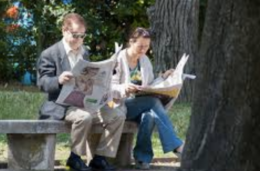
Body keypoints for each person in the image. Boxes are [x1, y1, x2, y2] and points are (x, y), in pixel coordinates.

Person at [36, 13, 125, 171]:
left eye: (82, 36)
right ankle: (75, 158)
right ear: (65, 31)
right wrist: (58, 79)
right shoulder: (50, 54)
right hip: (62, 104)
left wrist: (108, 71)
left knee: (117, 115)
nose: (78, 40)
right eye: (75, 35)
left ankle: (99, 158)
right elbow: (42, 83)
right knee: (84, 117)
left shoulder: (84, 52)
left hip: (85, 102)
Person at [111, 27, 184, 169]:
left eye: (146, 46)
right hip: (117, 105)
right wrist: (124, 88)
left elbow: (149, 86)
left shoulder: (144, 61)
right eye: (140, 46)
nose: (143, 50)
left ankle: (141, 158)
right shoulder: (118, 59)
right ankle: (176, 145)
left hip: (139, 105)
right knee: (152, 101)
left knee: (149, 116)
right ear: (131, 42)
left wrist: (163, 78)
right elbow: (109, 88)